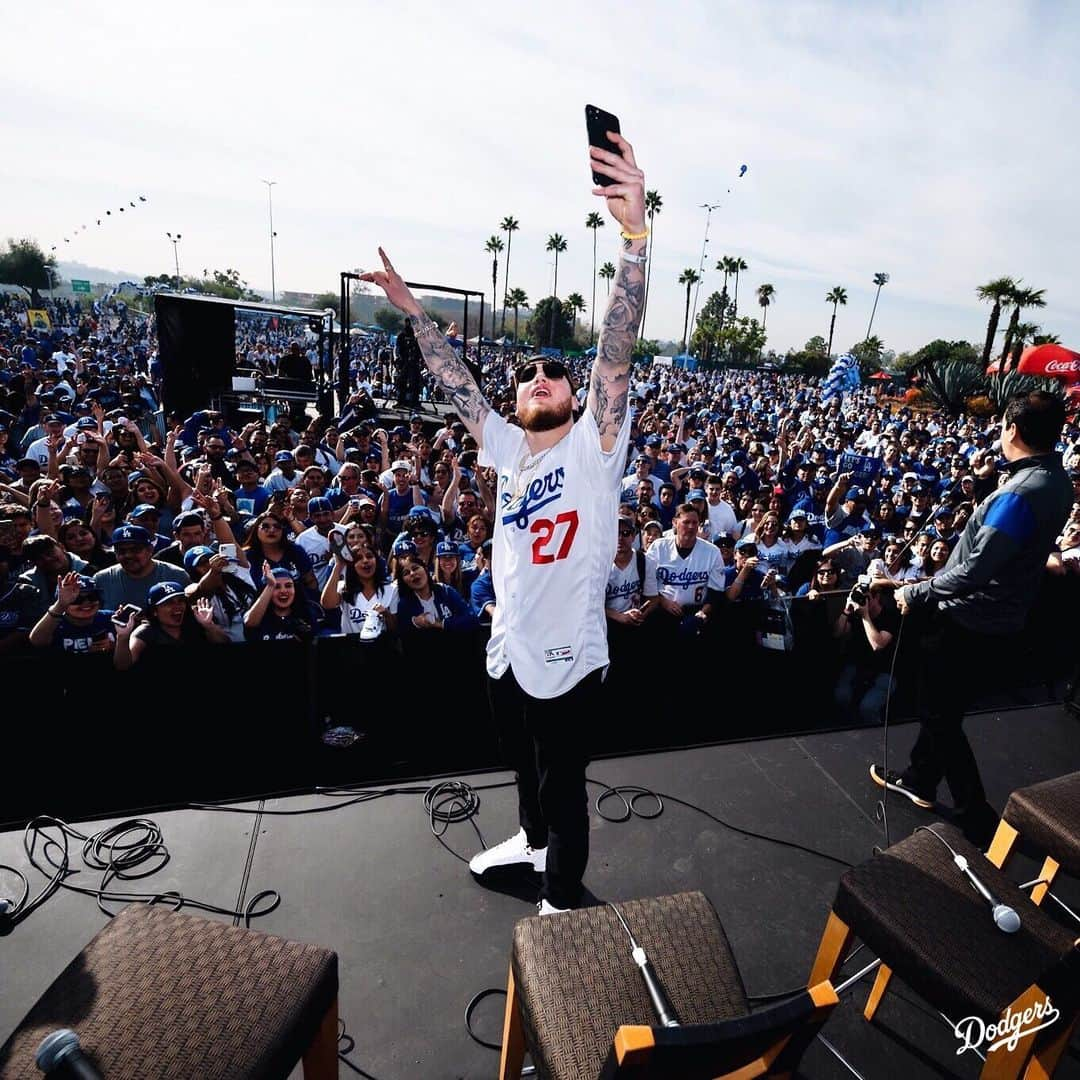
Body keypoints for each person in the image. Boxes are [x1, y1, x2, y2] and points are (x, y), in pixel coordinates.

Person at [359, 123, 645, 913]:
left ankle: (561, 889)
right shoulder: (507, 447)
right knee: (519, 762)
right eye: (529, 373)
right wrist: (413, 311)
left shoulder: (595, 444)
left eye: (557, 370)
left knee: (563, 780)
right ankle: (533, 842)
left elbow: (615, 353)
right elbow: (457, 386)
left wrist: (635, 240)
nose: (544, 377)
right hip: (508, 640)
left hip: (570, 653)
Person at [873, 392, 1074, 844]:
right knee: (945, 705)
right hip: (1004, 617)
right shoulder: (1056, 481)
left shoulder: (1020, 493)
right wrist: (988, 487)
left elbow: (977, 568)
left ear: (1012, 430)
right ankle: (920, 780)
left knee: (939, 714)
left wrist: (914, 590)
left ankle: (975, 815)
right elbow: (1012, 540)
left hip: (967, 619)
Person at [114, 581, 226, 668]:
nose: (177, 606)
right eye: (169, 603)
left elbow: (225, 645)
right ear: (154, 611)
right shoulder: (145, 632)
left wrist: (209, 626)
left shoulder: (197, 621)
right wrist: (122, 638)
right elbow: (123, 666)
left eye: (180, 601)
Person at [91, 524, 188, 610]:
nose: (128, 555)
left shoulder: (176, 576)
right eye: (122, 551)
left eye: (135, 550)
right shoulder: (102, 579)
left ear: (150, 550)